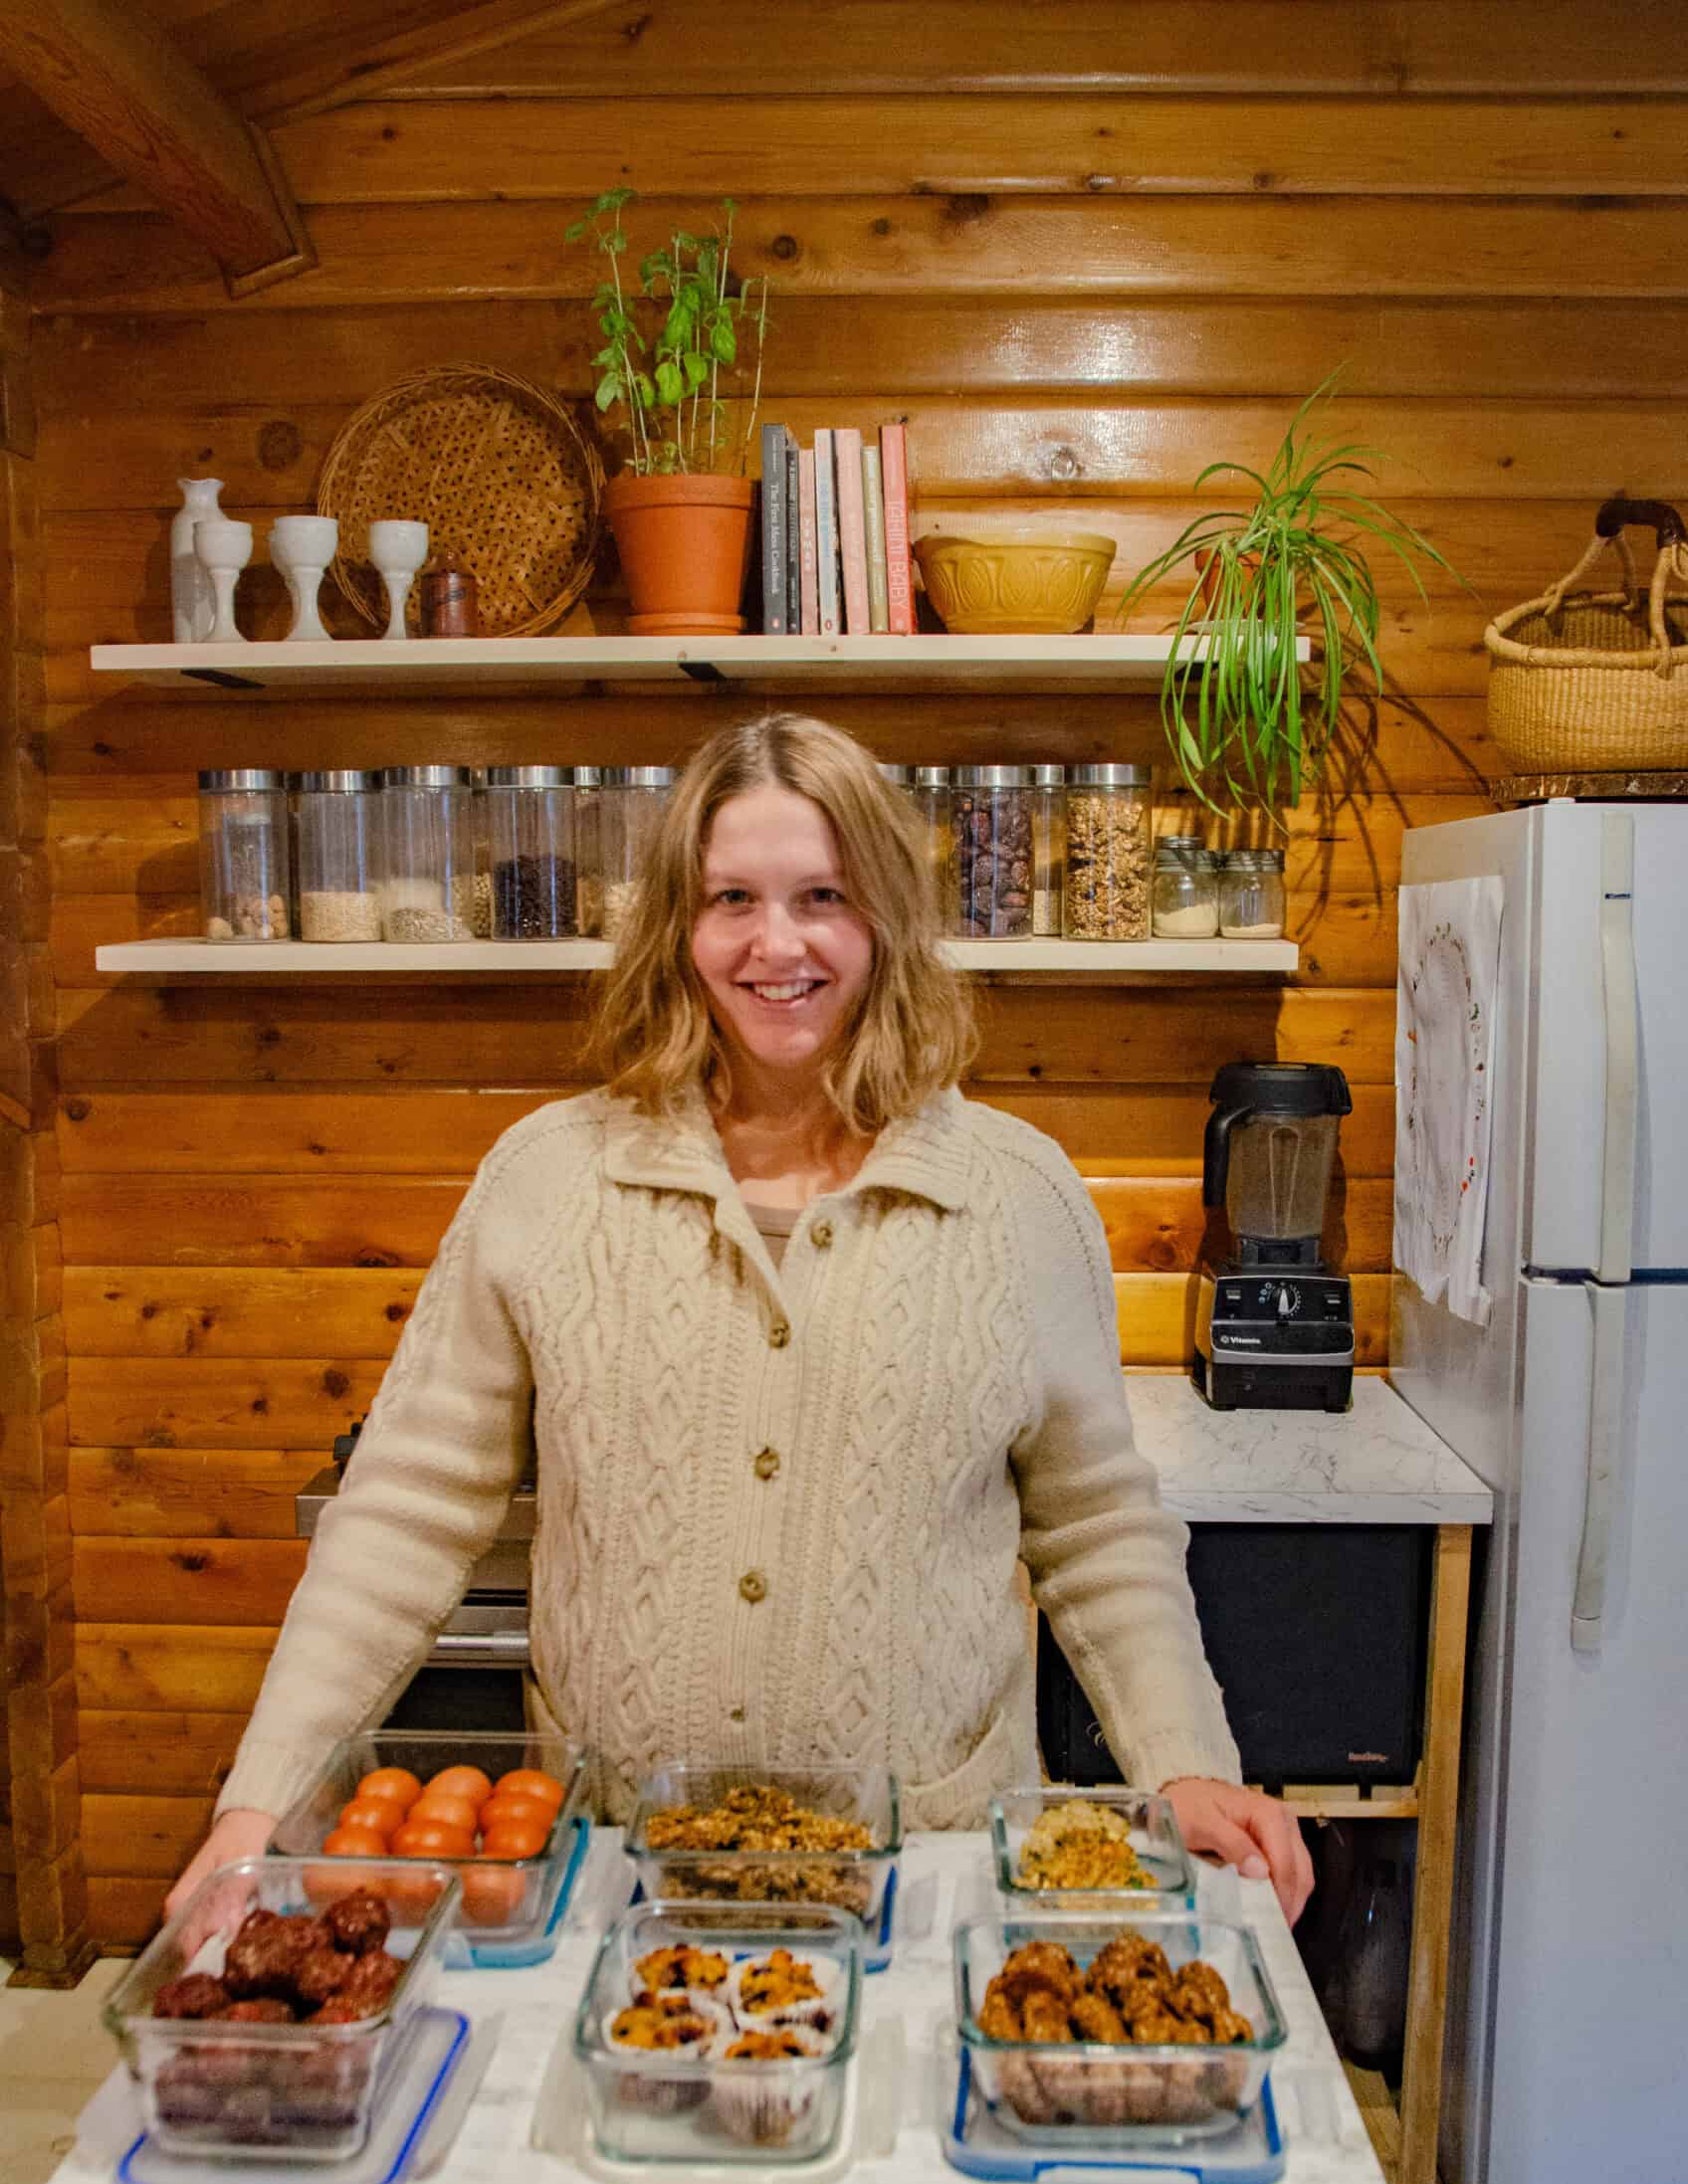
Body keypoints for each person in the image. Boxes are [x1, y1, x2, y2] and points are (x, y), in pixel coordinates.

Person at [167, 714, 1313, 1922]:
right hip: (617, 1870)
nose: (778, 943)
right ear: (677, 924)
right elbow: (400, 1514)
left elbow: (1099, 1529)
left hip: (917, 1874)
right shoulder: (550, 1179)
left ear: (885, 918)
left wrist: (1187, 1767)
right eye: (733, 899)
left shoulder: (1014, 1196)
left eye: (823, 894)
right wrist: (261, 1807)